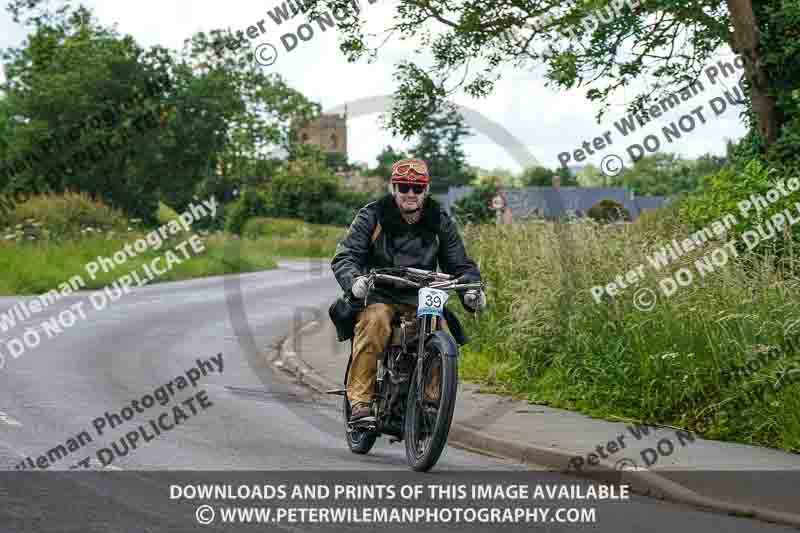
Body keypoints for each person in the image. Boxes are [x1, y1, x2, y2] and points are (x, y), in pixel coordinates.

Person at [331, 158, 486, 422]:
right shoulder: (372, 215)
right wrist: (355, 280)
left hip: (421, 294)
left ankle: (429, 403)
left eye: (417, 188)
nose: (410, 194)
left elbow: (459, 262)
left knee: (440, 332)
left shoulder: (439, 220)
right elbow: (346, 256)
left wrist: (471, 290)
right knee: (375, 321)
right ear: (394, 188)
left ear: (425, 191)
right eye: (404, 187)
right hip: (379, 292)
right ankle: (360, 402)